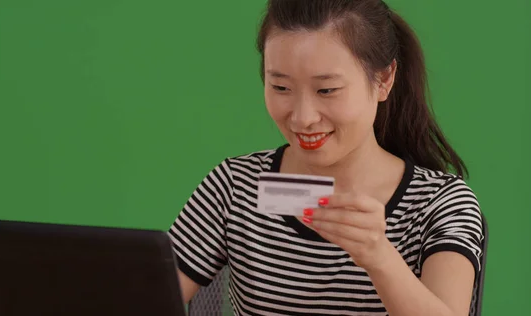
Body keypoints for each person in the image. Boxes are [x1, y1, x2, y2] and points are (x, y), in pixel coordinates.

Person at [169, 0, 484, 315]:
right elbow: (140, 296)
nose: (303, 118)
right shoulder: (236, 186)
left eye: (327, 90)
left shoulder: (440, 204)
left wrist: (380, 258)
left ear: (384, 80)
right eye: (280, 87)